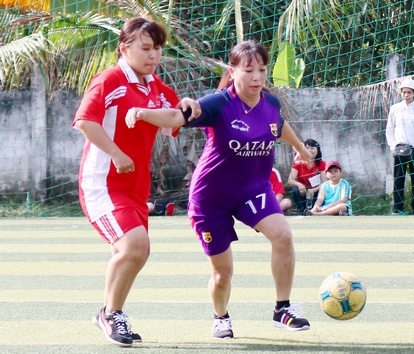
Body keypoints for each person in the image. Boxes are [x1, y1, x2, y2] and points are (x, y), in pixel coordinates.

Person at [125, 40, 312, 339]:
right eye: (248, 70)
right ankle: (221, 316)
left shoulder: (270, 103)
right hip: (211, 199)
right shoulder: (219, 103)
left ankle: (282, 309)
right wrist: (143, 112)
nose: (257, 77)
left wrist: (300, 147)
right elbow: (175, 117)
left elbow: (279, 125)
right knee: (223, 273)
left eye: (262, 70)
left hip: (253, 190)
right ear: (233, 70)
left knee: (283, 235)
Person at [72, 17, 200, 347]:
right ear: (124, 47)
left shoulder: (152, 85)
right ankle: (110, 314)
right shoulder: (109, 79)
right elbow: (85, 122)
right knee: (135, 246)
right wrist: (115, 153)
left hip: (135, 187)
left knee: (136, 251)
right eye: (145, 48)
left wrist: (189, 105)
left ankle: (110, 312)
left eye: (157, 48)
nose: (153, 55)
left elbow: (174, 117)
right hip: (102, 184)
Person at [385, 78, 414, 215]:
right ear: (401, 93)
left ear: (413, 92)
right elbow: (390, 128)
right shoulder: (395, 108)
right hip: (399, 150)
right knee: (398, 180)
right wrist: (393, 145)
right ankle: (398, 209)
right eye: (404, 92)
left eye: (409, 92)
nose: (406, 95)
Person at [287, 139, 326, 214]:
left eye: (312, 148)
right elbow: (290, 180)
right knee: (295, 189)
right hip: (303, 192)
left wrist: (314, 190)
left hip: (316, 193)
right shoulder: (298, 163)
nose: (309, 150)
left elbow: (324, 183)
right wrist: (299, 184)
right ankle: (301, 210)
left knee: (323, 190)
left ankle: (317, 209)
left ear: (317, 150)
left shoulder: (321, 164)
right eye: (307, 148)